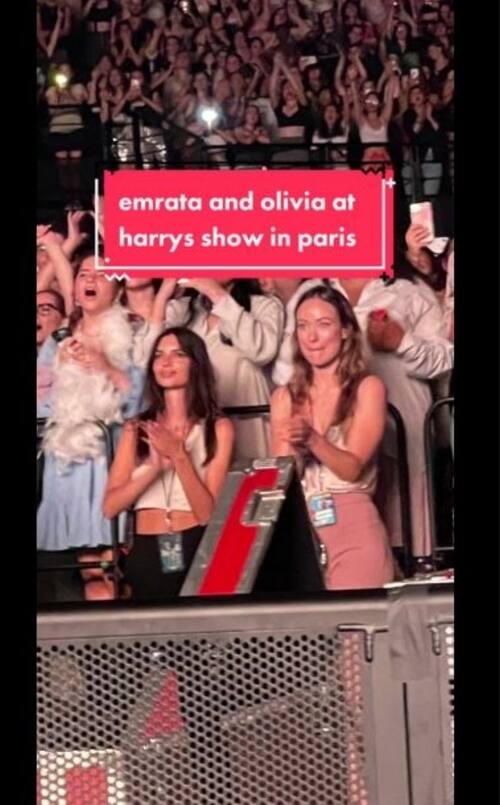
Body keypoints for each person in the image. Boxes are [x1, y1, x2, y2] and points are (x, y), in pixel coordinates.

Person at [37, 253, 145, 602]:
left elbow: (142, 401)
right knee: (89, 572)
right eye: (84, 273)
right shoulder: (58, 340)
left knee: (112, 568)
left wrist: (105, 366)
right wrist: (61, 373)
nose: (90, 280)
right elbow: (39, 404)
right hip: (67, 464)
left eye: (101, 274)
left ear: (118, 287)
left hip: (109, 462)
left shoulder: (134, 331)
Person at [271, 285, 393, 590]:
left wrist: (312, 439)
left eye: (323, 324)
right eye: (303, 326)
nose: (311, 337)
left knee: (356, 619)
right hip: (302, 529)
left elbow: (352, 469)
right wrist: (295, 447)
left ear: (345, 331)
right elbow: (282, 479)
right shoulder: (285, 396)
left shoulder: (368, 388)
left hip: (353, 525)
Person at [103, 327, 235, 599]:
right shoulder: (136, 427)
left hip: (195, 543)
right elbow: (110, 506)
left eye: (178, 354)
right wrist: (153, 469)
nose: (166, 362)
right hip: (146, 547)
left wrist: (179, 455)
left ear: (196, 363)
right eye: (159, 355)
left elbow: (208, 515)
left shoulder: (218, 427)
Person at [161, 278, 285, 458]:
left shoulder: (263, 305)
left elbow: (262, 350)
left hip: (248, 422)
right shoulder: (186, 309)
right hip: (200, 427)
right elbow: (154, 358)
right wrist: (165, 296)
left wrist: (217, 294)